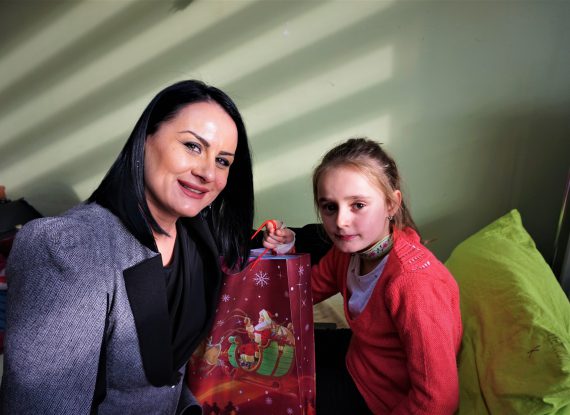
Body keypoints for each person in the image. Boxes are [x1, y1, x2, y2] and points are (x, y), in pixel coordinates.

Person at [0, 80, 254, 414]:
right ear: (145, 139)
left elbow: (167, 379)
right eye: (193, 146)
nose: (208, 172)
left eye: (222, 161)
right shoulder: (67, 247)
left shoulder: (197, 241)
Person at [263, 138, 462, 414]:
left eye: (358, 205)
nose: (341, 222)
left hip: (381, 398)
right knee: (269, 355)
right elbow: (298, 295)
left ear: (391, 204)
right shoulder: (347, 252)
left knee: (272, 395)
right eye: (330, 207)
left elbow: (437, 400)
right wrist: (285, 250)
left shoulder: (414, 284)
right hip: (361, 356)